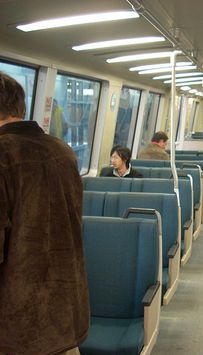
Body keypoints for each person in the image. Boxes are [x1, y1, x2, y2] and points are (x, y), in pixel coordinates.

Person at [0, 72, 89, 354]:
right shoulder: (63, 151)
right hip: (66, 314)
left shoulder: (3, 155)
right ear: (21, 108)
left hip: (17, 328)